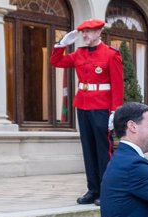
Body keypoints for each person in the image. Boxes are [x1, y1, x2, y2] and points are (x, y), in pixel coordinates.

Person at [51, 19, 124, 206]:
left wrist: (115, 111)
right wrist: (61, 44)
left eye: (89, 32)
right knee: (88, 149)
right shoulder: (79, 53)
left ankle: (107, 191)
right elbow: (56, 62)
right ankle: (93, 189)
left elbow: (117, 85)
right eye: (83, 32)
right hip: (83, 105)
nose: (84, 36)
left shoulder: (111, 54)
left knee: (102, 149)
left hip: (102, 106)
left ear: (99, 32)